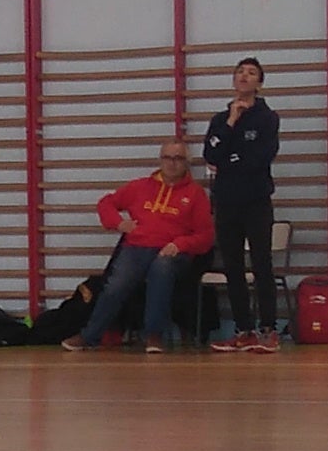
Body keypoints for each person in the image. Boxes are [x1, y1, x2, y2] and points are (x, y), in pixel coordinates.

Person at [67, 139, 216, 354]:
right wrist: (119, 223)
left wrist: (180, 244)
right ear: (160, 160)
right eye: (167, 157)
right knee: (116, 284)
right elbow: (106, 203)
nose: (172, 163)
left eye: (178, 158)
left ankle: (154, 335)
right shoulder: (140, 187)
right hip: (137, 247)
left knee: (161, 269)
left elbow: (205, 236)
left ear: (187, 162)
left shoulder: (196, 194)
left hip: (172, 252)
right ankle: (90, 335)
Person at [198, 58, 285, 351]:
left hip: (256, 201)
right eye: (240, 72)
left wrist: (229, 160)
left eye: (251, 73)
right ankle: (243, 330)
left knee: (262, 263)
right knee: (232, 266)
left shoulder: (267, 118)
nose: (244, 76)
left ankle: (268, 330)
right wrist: (231, 122)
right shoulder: (220, 119)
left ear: (260, 82)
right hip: (226, 201)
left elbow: (259, 157)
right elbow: (210, 155)